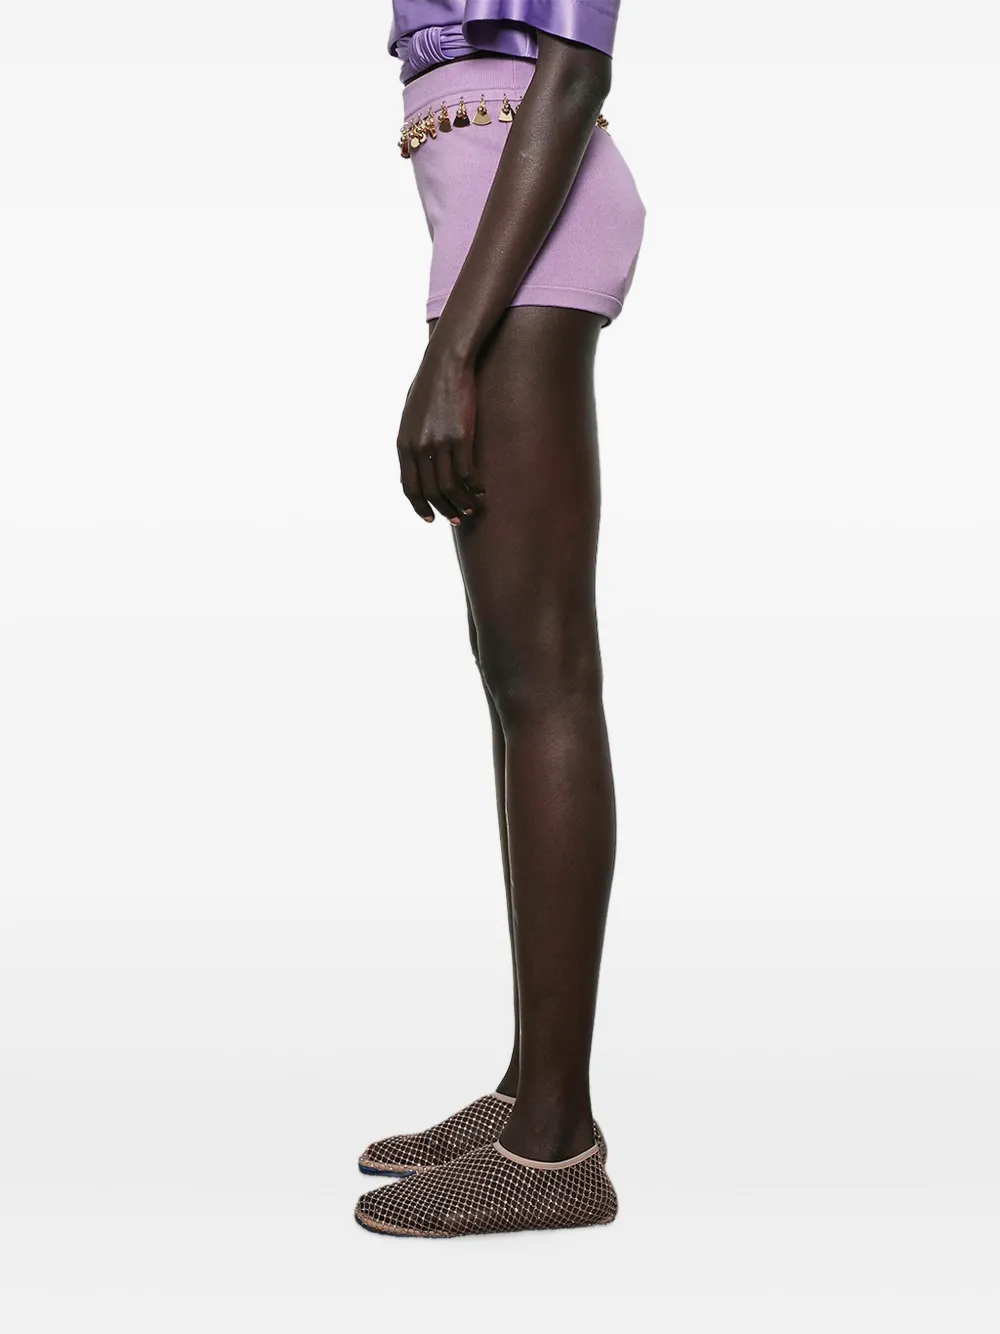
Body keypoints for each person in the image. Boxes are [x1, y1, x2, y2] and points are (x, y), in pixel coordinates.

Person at [355, 0, 645, 1239]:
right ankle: (531, 1085)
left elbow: (571, 74)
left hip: (523, 221)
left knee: (547, 675)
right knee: (513, 671)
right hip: (496, 215)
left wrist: (451, 355)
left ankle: (555, 1145)